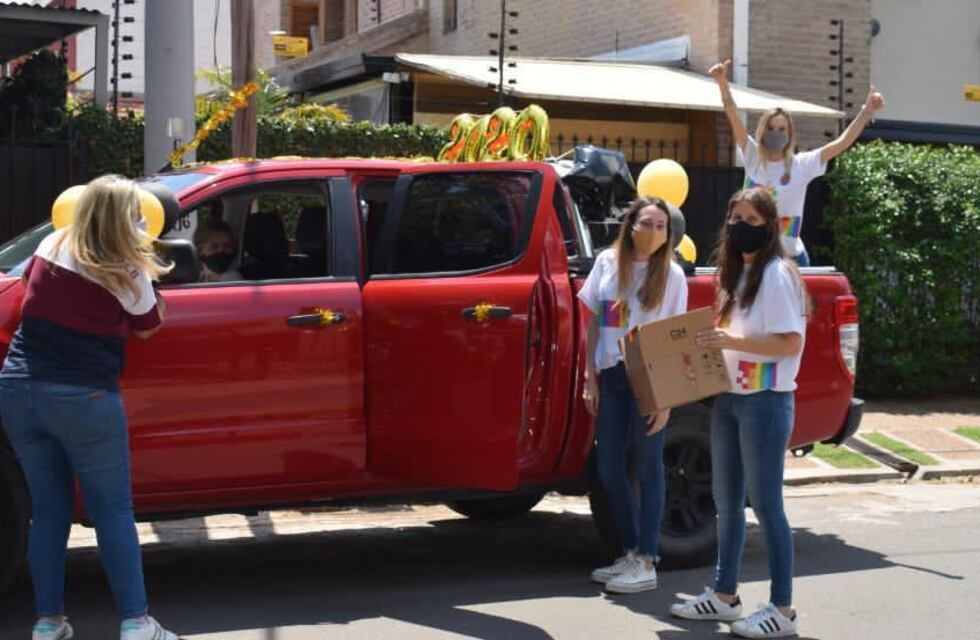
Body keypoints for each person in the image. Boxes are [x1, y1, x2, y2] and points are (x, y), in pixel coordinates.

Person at [0, 176, 180, 640]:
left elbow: (29, 291)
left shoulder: (53, 243)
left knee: (48, 511)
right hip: (83, 396)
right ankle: (138, 623)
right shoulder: (126, 266)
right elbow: (147, 325)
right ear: (126, 216)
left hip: (18, 390)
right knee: (113, 509)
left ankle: (48, 623)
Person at [671, 188, 807, 638]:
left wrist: (729, 342)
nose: (740, 225)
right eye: (735, 217)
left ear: (768, 226)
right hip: (729, 398)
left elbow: (790, 343)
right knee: (726, 503)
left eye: (751, 218)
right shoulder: (739, 274)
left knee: (768, 506)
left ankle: (783, 610)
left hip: (764, 402)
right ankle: (725, 595)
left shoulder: (775, 273)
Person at [578, 196, 689, 593]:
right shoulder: (608, 263)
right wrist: (589, 374)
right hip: (611, 375)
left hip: (650, 379)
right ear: (631, 224)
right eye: (648, 223)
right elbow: (593, 320)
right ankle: (628, 549)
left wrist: (667, 398)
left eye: (662, 226)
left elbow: (678, 337)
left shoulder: (673, 276)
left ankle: (647, 558)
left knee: (648, 466)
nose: (654, 232)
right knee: (608, 466)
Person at [709, 59, 885, 266]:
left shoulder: (801, 165)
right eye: (771, 128)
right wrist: (721, 82)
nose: (776, 134)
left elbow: (842, 143)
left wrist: (867, 111)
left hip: (791, 258)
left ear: (790, 134)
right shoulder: (752, 155)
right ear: (762, 131)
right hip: (752, 255)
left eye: (782, 129)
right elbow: (734, 117)